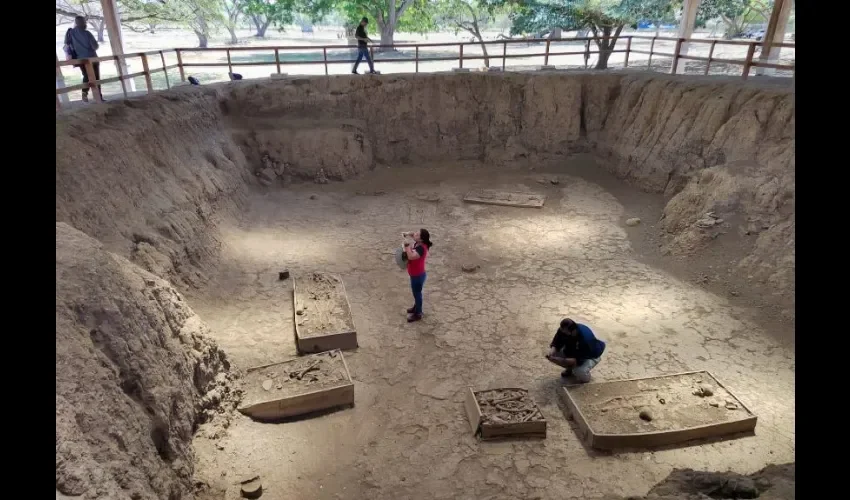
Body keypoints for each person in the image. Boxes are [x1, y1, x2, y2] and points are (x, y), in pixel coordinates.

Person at [545, 318, 606, 383]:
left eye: (565, 332)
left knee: (578, 371)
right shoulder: (563, 330)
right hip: (576, 350)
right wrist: (552, 352)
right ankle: (570, 369)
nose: (563, 333)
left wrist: (557, 360)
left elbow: (575, 361)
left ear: (574, 331)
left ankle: (586, 377)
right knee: (556, 354)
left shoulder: (585, 339)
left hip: (591, 355)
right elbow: (556, 343)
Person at [64, 16, 102, 103]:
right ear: (82, 23)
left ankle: (84, 93)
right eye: (84, 22)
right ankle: (99, 97)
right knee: (96, 78)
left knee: (86, 76)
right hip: (92, 58)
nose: (86, 24)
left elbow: (67, 45)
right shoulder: (87, 33)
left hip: (80, 59)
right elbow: (95, 47)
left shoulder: (70, 33)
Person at [403, 229, 432, 322]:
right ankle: (416, 308)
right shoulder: (419, 242)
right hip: (416, 274)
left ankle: (418, 313)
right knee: (416, 294)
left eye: (418, 234)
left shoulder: (421, 249)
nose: (415, 234)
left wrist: (407, 246)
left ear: (421, 240)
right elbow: (413, 234)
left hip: (417, 276)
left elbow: (411, 256)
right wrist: (407, 233)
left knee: (417, 294)